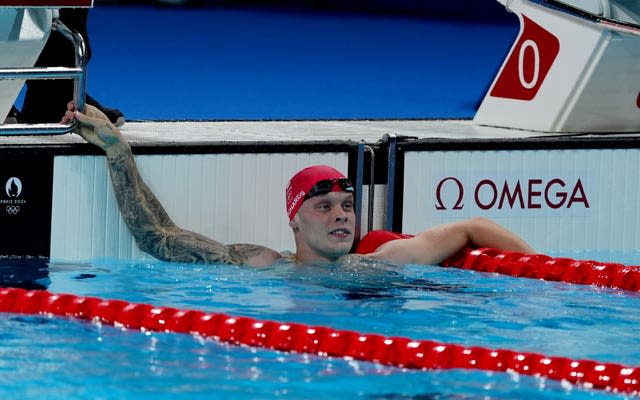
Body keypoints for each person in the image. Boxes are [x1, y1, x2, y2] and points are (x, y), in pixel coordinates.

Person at [62, 102, 534, 267]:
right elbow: (158, 238)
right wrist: (118, 151)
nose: (342, 215)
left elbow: (473, 227)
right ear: (294, 218)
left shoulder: (381, 264)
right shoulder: (260, 264)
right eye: (324, 206)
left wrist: (536, 275)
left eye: (347, 204)